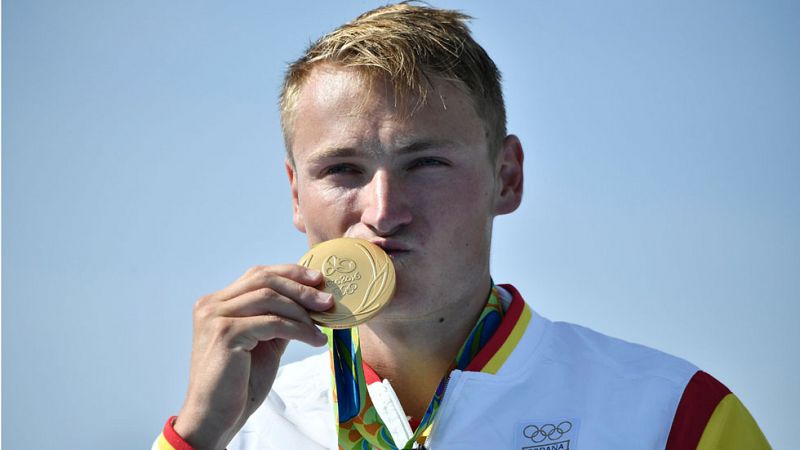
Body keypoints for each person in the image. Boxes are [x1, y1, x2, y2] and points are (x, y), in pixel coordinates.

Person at [153, 3, 769, 449]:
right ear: (296, 194)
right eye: (343, 169)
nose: (383, 211)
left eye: (425, 163)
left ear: (507, 178)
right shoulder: (239, 429)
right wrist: (198, 437)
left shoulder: (673, 419)